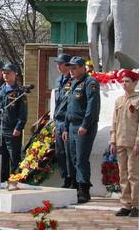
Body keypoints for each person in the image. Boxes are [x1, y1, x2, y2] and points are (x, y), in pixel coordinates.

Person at [62, 56, 100, 203]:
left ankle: (84, 189)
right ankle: (76, 186)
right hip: (72, 125)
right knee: (73, 158)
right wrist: (65, 127)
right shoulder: (73, 84)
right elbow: (68, 108)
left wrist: (85, 125)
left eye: (75, 68)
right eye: (70, 68)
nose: (71, 70)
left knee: (81, 158)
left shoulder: (90, 83)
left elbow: (92, 107)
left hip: (83, 126)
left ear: (83, 68)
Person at [110, 70, 139, 217]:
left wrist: (138, 142)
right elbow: (115, 122)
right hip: (120, 142)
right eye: (123, 81)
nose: (124, 84)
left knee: (133, 175)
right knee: (122, 175)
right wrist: (113, 141)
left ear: (135, 83)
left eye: (128, 81)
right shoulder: (120, 100)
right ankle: (126, 204)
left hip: (132, 143)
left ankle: (136, 205)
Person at [0, 63, 27, 182]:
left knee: (14, 157)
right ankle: (2, 181)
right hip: (0, 128)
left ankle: (15, 180)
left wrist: (18, 127)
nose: (6, 75)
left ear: (15, 74)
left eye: (9, 73)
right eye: (4, 73)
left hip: (12, 130)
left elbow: (23, 112)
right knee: (1, 157)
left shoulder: (19, 92)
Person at [52, 53, 75, 189]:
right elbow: (56, 102)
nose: (58, 66)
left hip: (68, 121)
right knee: (60, 152)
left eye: (61, 64)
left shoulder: (72, 81)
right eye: (57, 63)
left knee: (68, 152)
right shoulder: (58, 81)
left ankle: (72, 179)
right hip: (58, 120)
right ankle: (65, 177)